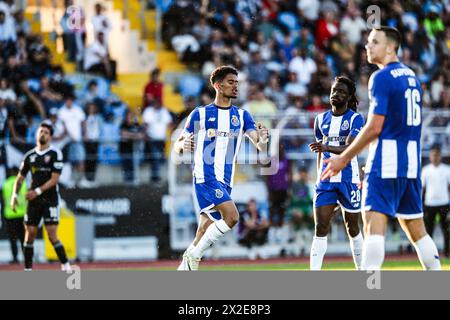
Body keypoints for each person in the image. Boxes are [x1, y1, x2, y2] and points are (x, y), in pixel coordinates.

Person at [321, 26, 441, 271]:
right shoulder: (412, 77)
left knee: (373, 227)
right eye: (368, 41)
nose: (368, 46)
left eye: (374, 42)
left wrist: (343, 158)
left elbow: (375, 127)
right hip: (409, 164)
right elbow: (399, 124)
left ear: (390, 47)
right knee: (416, 229)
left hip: (386, 161)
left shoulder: (382, 77)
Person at [174, 66, 269, 270]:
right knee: (232, 217)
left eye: (237, 82)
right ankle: (194, 256)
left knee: (204, 229)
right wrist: (183, 145)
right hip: (205, 176)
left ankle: (183, 269)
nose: (236, 86)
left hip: (225, 180)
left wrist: (263, 140)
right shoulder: (200, 114)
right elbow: (179, 144)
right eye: (230, 82)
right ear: (217, 85)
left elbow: (258, 143)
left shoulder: (242, 116)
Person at [308, 76, 365, 270]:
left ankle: (363, 273)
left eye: (341, 91)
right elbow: (319, 151)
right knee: (320, 227)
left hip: (349, 178)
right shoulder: (320, 119)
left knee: (353, 227)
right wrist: (318, 176)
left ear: (349, 97)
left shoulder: (355, 119)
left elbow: (351, 148)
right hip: (326, 180)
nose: (336, 94)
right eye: (334, 90)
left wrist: (326, 146)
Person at [10, 121, 72, 271]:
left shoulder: (55, 153)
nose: (42, 134)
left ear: (50, 137)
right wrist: (14, 195)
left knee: (52, 235)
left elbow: (54, 179)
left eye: (46, 132)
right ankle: (28, 270)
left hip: (50, 199)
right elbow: (20, 178)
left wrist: (37, 192)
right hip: (34, 200)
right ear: (37, 134)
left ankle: (66, 265)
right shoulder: (29, 155)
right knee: (29, 234)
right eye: (41, 131)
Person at [422, 144, 450, 258]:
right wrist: (421, 204)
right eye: (433, 155)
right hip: (429, 204)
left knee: (447, 230)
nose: (435, 157)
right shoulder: (425, 170)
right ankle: (430, 254)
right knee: (428, 231)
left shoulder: (447, 169)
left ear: (440, 156)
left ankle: (446, 253)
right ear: (430, 156)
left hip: (444, 204)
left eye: (437, 155)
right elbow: (422, 189)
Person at [2, 167, 27, 264]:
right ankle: (26, 257)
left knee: (12, 238)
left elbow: (4, 199)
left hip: (10, 215)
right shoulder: (24, 183)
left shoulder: (6, 184)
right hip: (21, 214)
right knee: (23, 237)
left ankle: (15, 258)